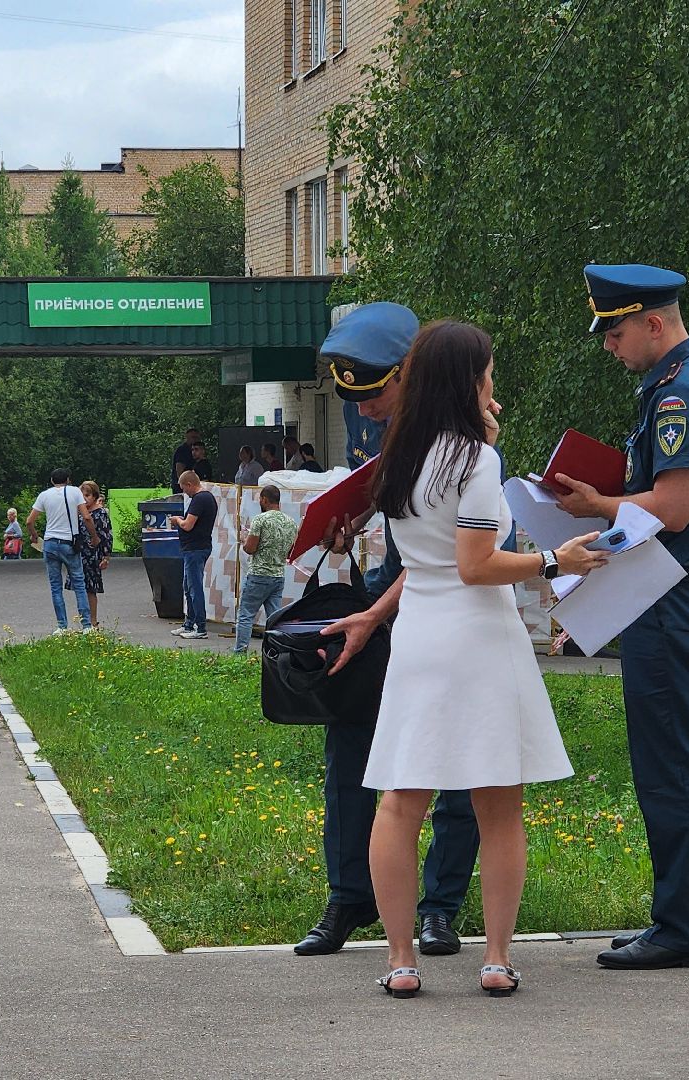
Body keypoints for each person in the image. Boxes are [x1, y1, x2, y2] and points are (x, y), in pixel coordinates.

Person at [360, 320, 605, 999]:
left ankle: (401, 960)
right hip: (479, 639)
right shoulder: (475, 459)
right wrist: (559, 559)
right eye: (489, 372)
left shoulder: (401, 454)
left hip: (419, 638)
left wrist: (484, 449)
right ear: (469, 380)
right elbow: (476, 564)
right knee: (500, 804)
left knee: (400, 801)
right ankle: (496, 957)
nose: (494, 383)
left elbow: (436, 554)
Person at [554, 264, 689, 971]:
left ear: (654, 324)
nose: (610, 345)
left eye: (617, 330)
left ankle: (683, 930)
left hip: (670, 592)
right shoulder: (684, 383)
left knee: (671, 764)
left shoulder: (681, 397)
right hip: (668, 591)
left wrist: (595, 505)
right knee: (674, 758)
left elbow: (675, 507)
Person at [291, 302, 483, 959]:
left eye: (375, 394)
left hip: (445, 614)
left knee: (453, 768)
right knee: (351, 749)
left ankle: (439, 908)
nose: (365, 409)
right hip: (391, 605)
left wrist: (376, 614)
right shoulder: (391, 439)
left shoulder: (466, 440)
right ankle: (350, 897)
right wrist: (350, 531)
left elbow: (448, 561)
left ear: (412, 372)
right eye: (356, 397)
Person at [26, 468, 96, 633]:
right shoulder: (74, 492)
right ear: (69, 480)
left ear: (51, 481)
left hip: (50, 543)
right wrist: (94, 536)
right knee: (79, 584)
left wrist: (34, 536)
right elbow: (86, 517)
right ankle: (86, 626)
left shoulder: (44, 495)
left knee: (55, 586)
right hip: (69, 543)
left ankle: (62, 627)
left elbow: (29, 521)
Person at [233, 484, 297, 654]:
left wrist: (244, 540)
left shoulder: (260, 520)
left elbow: (251, 548)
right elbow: (290, 551)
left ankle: (240, 654)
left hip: (258, 574)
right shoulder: (291, 522)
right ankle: (277, 652)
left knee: (246, 615)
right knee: (275, 619)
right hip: (278, 576)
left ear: (264, 499)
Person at [170, 470, 217, 639]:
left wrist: (177, 521)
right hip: (196, 548)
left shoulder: (199, 499)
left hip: (195, 549)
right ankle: (189, 624)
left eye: (184, 488)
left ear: (190, 484)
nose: (185, 493)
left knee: (194, 588)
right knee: (188, 587)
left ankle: (200, 627)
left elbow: (188, 525)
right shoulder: (208, 498)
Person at [77, 481, 113, 629]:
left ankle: (93, 621)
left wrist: (106, 556)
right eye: (82, 495)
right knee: (80, 587)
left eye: (88, 495)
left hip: (93, 553)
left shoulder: (101, 512)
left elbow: (106, 534)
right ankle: (84, 621)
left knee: (90, 588)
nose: (85, 498)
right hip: (80, 553)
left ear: (95, 496)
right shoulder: (80, 512)